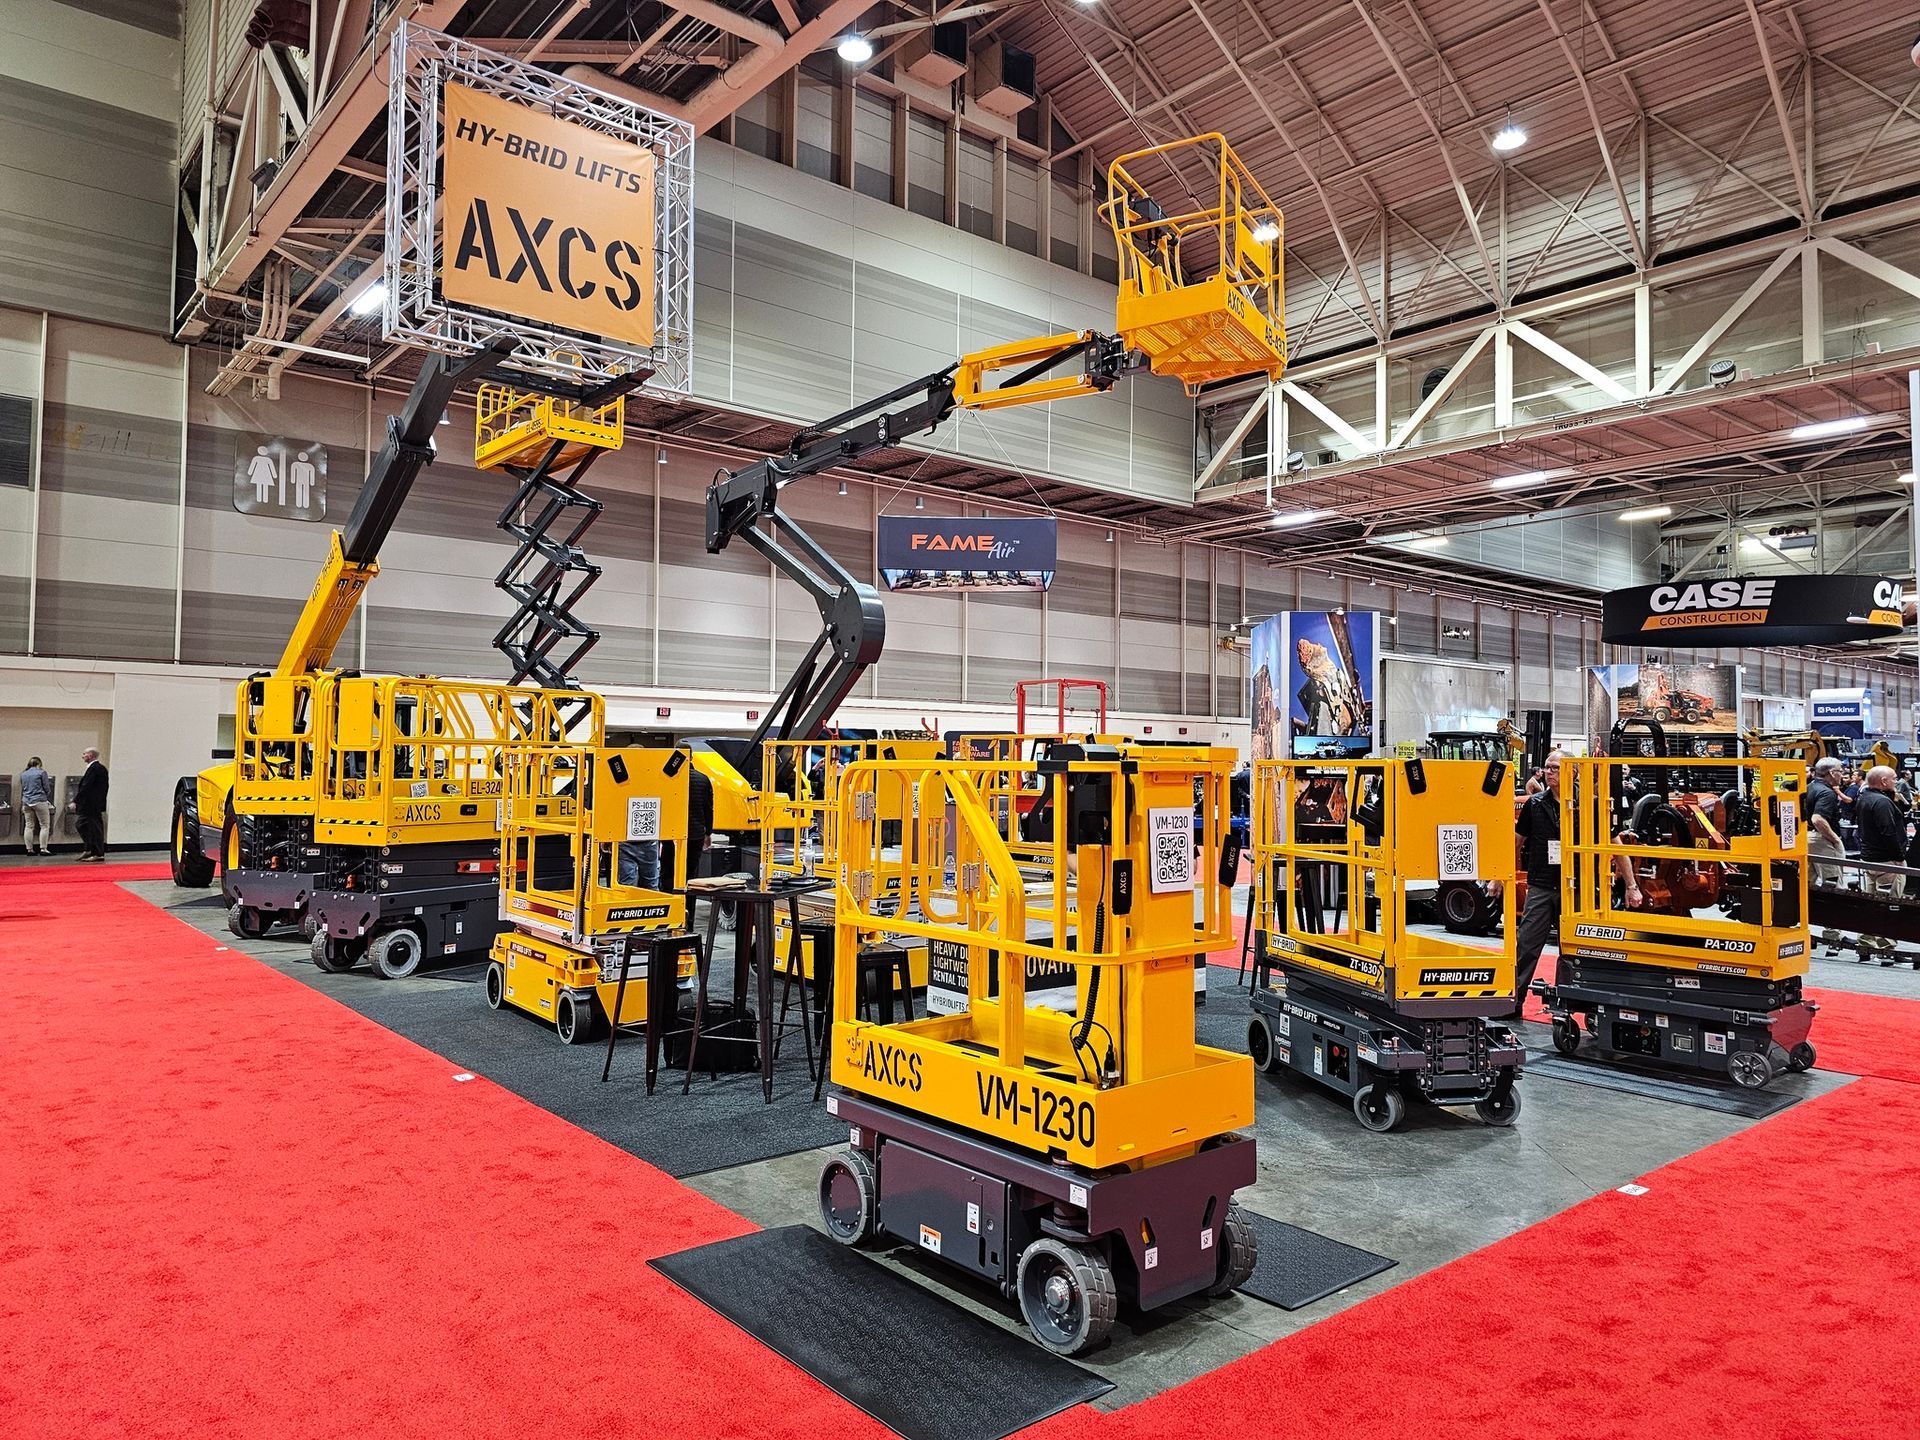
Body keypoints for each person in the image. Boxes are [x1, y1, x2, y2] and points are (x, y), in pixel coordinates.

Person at [1511, 751, 1564, 1012]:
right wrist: (1500, 878)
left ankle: (1567, 1002)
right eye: (1546, 767)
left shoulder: (1587, 803)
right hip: (1541, 885)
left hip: (1574, 888)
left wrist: (1632, 884)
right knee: (1527, 945)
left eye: (1555, 767)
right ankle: (1513, 1001)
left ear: (1572, 770)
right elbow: (1516, 842)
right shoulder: (1534, 804)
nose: (1548, 772)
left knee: (1573, 952)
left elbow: (1612, 842)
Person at [1854, 765, 1906, 959]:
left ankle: (1865, 943)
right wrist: (1899, 857)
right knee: (1890, 906)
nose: (1896, 781)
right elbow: (1888, 832)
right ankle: (1886, 948)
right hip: (1887, 861)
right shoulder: (1882, 803)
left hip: (1869, 859)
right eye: (1893, 779)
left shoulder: (1864, 798)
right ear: (1884, 781)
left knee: (1871, 905)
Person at [70, 748, 109, 861]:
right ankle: (89, 849)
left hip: (92, 805)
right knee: (82, 825)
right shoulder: (95, 768)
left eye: (85, 754)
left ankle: (98, 853)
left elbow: (86, 786)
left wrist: (76, 801)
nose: (83, 756)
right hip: (90, 805)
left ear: (91, 755)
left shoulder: (95, 768)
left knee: (95, 828)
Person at [19, 756, 54, 856]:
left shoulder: (23, 774)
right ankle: (43, 849)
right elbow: (47, 788)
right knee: (44, 825)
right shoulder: (41, 772)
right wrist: (45, 795)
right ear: (39, 763)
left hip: (26, 802)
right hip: (39, 801)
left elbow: (23, 787)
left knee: (29, 826)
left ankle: (29, 849)